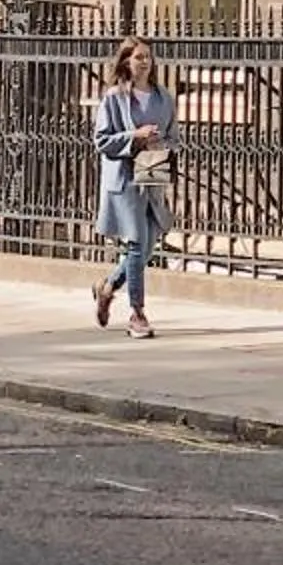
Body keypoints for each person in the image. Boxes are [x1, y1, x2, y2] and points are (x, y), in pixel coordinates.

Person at [92, 36, 175, 338]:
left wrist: (161, 142)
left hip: (152, 173)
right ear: (126, 61)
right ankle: (137, 314)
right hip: (125, 178)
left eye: (148, 57)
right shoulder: (114, 98)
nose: (145, 62)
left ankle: (107, 287)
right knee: (137, 244)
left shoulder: (163, 97)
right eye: (139, 57)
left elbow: (174, 136)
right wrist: (135, 135)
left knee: (147, 246)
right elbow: (101, 140)